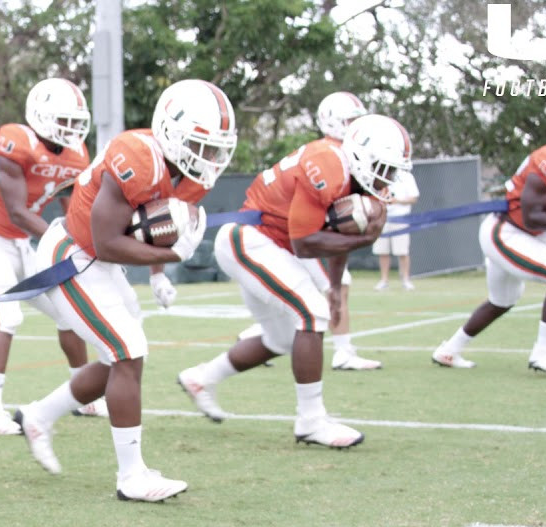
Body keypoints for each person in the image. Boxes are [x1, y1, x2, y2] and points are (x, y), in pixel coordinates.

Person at [13, 79, 231, 502]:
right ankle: (132, 477)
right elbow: (108, 238)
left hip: (102, 261)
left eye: (215, 148)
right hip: (73, 256)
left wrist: (158, 274)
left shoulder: (190, 174)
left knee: (121, 356)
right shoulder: (136, 156)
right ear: (170, 131)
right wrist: (170, 259)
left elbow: (152, 231)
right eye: (200, 145)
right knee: (127, 351)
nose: (208, 158)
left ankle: (39, 416)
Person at [177, 114, 412, 448]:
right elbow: (305, 242)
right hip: (251, 239)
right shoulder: (327, 165)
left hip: (270, 246)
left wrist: (333, 283)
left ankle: (201, 378)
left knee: (281, 339)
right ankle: (311, 422)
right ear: (361, 154)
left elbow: (334, 234)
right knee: (311, 314)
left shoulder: (351, 172)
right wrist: (361, 241)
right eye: (383, 168)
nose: (387, 177)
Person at [0, 77, 108, 436]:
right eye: (63, 120)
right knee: (7, 317)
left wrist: (88, 235)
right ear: (39, 115)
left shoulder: (76, 154)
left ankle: (82, 395)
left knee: (68, 314)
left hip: (23, 246)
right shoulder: (16, 140)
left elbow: (73, 205)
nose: (70, 129)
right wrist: (63, 239)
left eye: (75, 122)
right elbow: (15, 211)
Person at [432, 117, 546, 375]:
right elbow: (532, 216)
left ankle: (449, 350)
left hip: (522, 234)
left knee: (502, 300)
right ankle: (543, 352)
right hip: (506, 232)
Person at [230, 92, 383, 370]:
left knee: (323, 291)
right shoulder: (331, 157)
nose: (356, 126)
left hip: (295, 233)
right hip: (288, 234)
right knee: (316, 297)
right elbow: (310, 234)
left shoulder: (341, 154)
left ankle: (263, 336)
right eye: (350, 120)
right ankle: (338, 351)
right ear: (333, 122)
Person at [374, 168, 419, 291]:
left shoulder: (406, 176)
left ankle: (405, 280)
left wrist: (397, 201)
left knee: (402, 251)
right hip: (383, 217)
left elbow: (414, 198)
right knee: (382, 251)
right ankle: (384, 280)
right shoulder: (379, 174)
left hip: (401, 218)